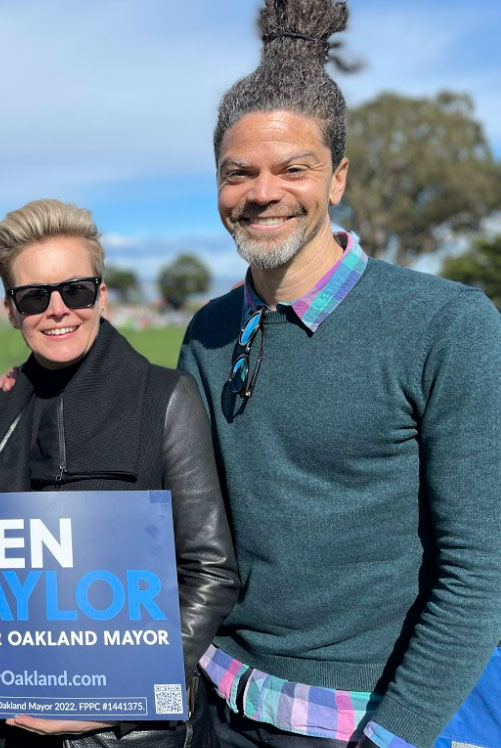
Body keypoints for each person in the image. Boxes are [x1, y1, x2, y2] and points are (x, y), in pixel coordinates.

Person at [176, 2, 501, 747]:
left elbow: (478, 570)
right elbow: (174, 511)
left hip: (364, 724)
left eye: (293, 168)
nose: (262, 192)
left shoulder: (445, 326)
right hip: (218, 709)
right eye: (238, 173)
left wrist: (393, 736)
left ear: (337, 176)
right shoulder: (205, 335)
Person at [0, 199, 239, 748]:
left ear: (100, 294)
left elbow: (211, 573)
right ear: (11, 309)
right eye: (33, 297)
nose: (56, 310)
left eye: (74, 290)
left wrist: (116, 695)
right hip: (13, 724)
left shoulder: (165, 398)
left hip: (130, 734)